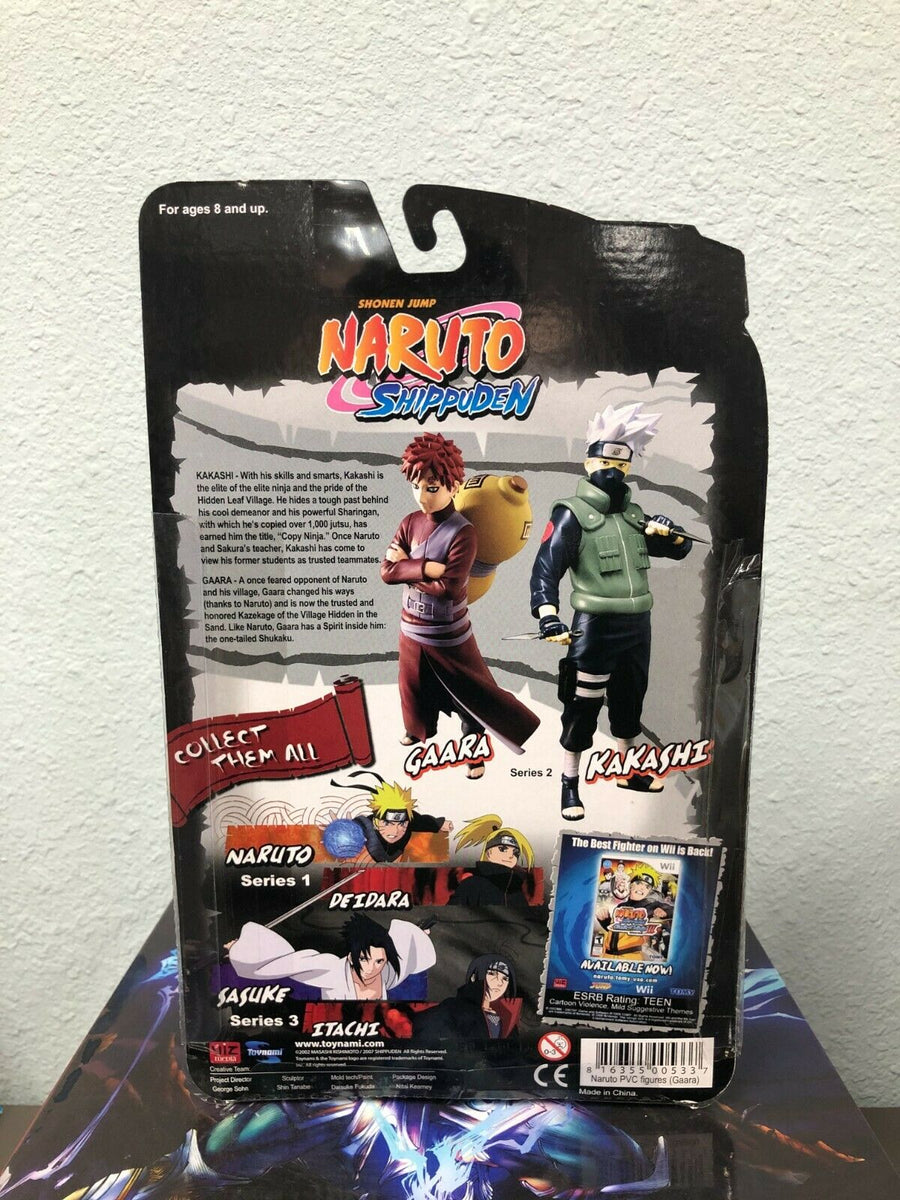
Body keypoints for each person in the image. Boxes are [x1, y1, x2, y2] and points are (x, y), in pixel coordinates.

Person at [530, 402, 692, 819]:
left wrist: (672, 534)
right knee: (582, 705)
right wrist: (548, 615)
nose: (613, 471)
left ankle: (627, 770)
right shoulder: (571, 514)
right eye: (605, 462)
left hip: (637, 623)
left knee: (629, 699)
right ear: (589, 463)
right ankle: (569, 783)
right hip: (596, 626)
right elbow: (546, 567)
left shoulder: (635, 516)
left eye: (621, 464)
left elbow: (677, 549)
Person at [381, 433, 539, 779]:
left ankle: (473, 750)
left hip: (448, 631)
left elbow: (450, 590)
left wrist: (408, 566)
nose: (422, 497)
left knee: (471, 692)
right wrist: (427, 568)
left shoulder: (463, 533)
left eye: (432, 488)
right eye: (416, 487)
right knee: (412, 685)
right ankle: (418, 730)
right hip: (411, 626)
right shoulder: (410, 522)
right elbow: (387, 572)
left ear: (453, 487)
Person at [227, 912, 436, 1001]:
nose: (371, 969)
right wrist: (243, 947)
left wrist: (419, 935)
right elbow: (289, 962)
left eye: (379, 961)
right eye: (364, 959)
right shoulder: (331, 970)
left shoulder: (389, 972)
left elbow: (405, 949)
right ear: (351, 956)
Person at [330, 770, 452, 863]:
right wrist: (339, 830)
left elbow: (422, 821)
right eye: (388, 823)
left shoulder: (410, 819)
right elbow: (357, 826)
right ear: (376, 822)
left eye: (402, 824)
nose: (395, 831)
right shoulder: (366, 826)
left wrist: (439, 824)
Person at [412, 954, 520, 1043]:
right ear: (473, 977)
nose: (500, 982)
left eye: (505, 978)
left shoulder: (506, 1020)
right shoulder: (453, 1009)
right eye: (492, 974)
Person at [449, 813, 535, 908]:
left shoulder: (517, 891)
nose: (510, 856)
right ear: (488, 853)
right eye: (503, 849)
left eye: (516, 853)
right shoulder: (472, 884)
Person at [595, 864, 674, 961]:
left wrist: (665, 912)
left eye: (647, 887)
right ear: (631, 885)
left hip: (630, 957)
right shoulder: (620, 906)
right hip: (608, 955)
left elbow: (674, 910)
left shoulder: (651, 905)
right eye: (639, 883)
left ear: (649, 891)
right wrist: (604, 919)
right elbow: (615, 931)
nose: (642, 888)